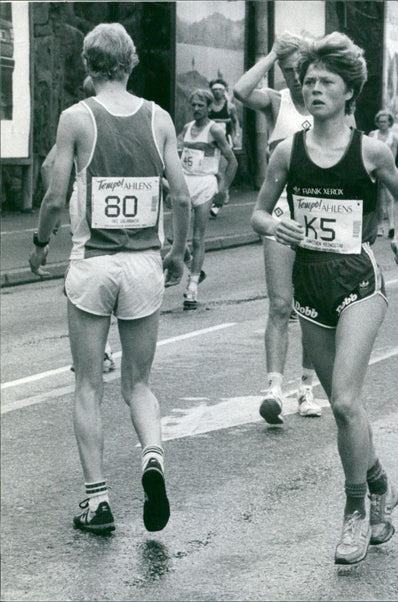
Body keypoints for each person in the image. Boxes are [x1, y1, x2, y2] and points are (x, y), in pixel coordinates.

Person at [250, 31, 398, 566]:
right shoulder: (285, 152)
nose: (314, 89)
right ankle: (380, 483)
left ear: (349, 93)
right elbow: (259, 212)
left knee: (343, 400)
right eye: (309, 81)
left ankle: (354, 513)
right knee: (348, 413)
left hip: (359, 283)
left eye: (327, 82)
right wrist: (279, 227)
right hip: (310, 286)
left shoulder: (370, 150)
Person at [29, 23, 190, 533]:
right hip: (144, 264)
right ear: (131, 61)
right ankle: (153, 459)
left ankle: (97, 502)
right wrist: (178, 252)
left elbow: (55, 197)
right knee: (139, 384)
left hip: (92, 265)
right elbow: (182, 196)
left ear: (88, 64)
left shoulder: (77, 118)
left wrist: (38, 243)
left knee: (88, 385)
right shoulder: (159, 118)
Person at [234, 32, 322, 420]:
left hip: (321, 217)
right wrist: (271, 54)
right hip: (281, 215)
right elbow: (240, 90)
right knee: (280, 305)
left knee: (313, 308)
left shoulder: (330, 105)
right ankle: (274, 388)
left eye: (297, 68)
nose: (293, 76)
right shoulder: (277, 101)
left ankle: (307, 388)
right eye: (287, 70)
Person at [41, 76, 117, 373]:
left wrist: (56, 214)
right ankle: (102, 350)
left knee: (84, 273)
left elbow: (49, 165)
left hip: (83, 205)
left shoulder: (77, 121)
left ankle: (98, 350)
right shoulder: (125, 119)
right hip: (118, 209)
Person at [176, 88, 237, 310]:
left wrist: (223, 190)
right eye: (193, 104)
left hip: (205, 183)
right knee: (175, 238)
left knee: (197, 238)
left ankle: (192, 286)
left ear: (209, 107)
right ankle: (194, 267)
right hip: (185, 182)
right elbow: (177, 154)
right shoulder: (187, 128)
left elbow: (233, 161)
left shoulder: (216, 130)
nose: (196, 109)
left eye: (201, 105)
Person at [207, 78, 239, 217]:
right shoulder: (208, 106)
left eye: (220, 90)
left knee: (222, 169)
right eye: (215, 90)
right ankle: (217, 192)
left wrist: (236, 136)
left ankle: (223, 193)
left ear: (224, 90)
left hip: (225, 141)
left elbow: (236, 122)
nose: (217, 92)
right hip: (211, 142)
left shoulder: (229, 106)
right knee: (214, 171)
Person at [368, 110, 398, 238]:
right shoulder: (372, 134)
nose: (382, 124)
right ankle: (379, 225)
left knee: (390, 198)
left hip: (386, 169)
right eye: (380, 122)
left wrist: (391, 171)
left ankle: (391, 226)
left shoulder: (393, 137)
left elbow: (393, 156)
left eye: (385, 121)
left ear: (389, 122)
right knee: (378, 199)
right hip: (373, 170)